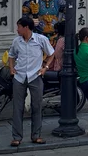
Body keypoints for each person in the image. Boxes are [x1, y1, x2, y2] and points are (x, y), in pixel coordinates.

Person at [8, 17, 54, 147]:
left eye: (19, 27)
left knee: (37, 106)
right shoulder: (17, 41)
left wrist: (45, 67)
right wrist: (11, 68)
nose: (17, 29)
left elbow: (51, 53)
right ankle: (16, 137)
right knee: (17, 107)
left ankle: (36, 135)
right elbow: (11, 55)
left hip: (36, 75)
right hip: (19, 76)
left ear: (26, 27)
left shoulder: (41, 39)